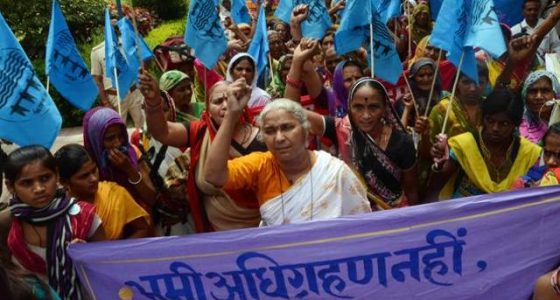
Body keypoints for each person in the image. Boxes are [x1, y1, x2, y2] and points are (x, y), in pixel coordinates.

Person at [203, 81, 371, 225]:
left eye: (287, 127)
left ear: (306, 132)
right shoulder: (260, 165)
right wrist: (231, 116)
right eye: (269, 131)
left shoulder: (334, 172)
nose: (279, 138)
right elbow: (213, 176)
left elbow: (362, 228)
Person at [139, 70, 267, 232]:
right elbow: (162, 132)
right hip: (213, 233)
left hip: (259, 231)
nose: (226, 106)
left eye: (231, 99)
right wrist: (153, 102)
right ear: (207, 108)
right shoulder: (200, 132)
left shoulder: (262, 137)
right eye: (218, 101)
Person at [2, 145, 105, 299]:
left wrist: (88, 255)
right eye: (27, 183)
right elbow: (5, 275)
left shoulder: (83, 217)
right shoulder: (6, 223)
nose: (39, 189)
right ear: (11, 186)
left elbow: (107, 263)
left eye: (45, 178)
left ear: (56, 175)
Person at [430, 88, 542, 199]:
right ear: (483, 118)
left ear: (516, 124)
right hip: (465, 212)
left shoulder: (529, 152)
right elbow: (437, 185)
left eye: (504, 124)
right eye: (490, 121)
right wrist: (439, 164)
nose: (495, 128)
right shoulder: (464, 145)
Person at [54, 144, 153, 240]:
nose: (93, 178)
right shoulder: (58, 209)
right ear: (64, 182)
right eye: (84, 176)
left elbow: (143, 228)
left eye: (94, 170)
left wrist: (117, 252)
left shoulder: (115, 194)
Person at [83, 107, 157, 211]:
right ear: (96, 140)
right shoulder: (88, 166)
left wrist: (129, 170)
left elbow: (152, 198)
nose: (118, 143)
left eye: (121, 135)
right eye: (110, 138)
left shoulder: (133, 153)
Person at [90, 18, 145, 129]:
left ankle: (144, 146)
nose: (114, 30)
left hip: (134, 92)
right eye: (110, 27)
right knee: (118, 129)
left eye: (116, 26)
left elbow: (140, 65)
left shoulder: (128, 45)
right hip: (115, 97)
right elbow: (97, 80)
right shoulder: (97, 51)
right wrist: (105, 102)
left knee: (143, 127)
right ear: (104, 29)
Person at [511, 0, 560, 66]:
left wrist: (554, 54)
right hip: (525, 72)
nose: (533, 12)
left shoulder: (548, 27)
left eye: (535, 9)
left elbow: (557, 47)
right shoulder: (514, 30)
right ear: (523, 11)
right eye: (529, 9)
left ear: (539, 10)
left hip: (546, 70)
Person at [519, 70, 560, 143]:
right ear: (525, 96)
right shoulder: (519, 128)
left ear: (555, 95)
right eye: (533, 91)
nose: (538, 97)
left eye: (545, 91)